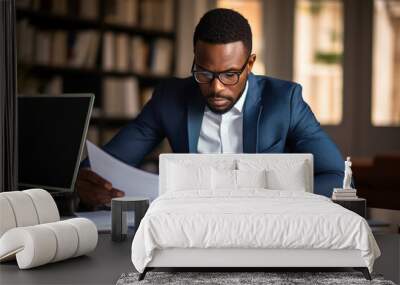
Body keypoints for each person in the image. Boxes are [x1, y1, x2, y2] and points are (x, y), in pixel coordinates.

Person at [77, 8, 344, 209]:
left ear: (249, 64)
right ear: (195, 59)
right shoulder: (170, 98)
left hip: (264, 224)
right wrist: (84, 184)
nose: (216, 88)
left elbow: (338, 178)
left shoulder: (284, 101)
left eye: (230, 75)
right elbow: (105, 166)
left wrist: (268, 196)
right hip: (190, 229)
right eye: (204, 73)